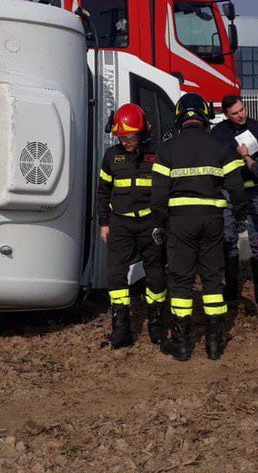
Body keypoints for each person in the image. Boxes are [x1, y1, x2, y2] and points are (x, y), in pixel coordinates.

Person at [150, 93, 249, 361]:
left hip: (180, 223)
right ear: (205, 116)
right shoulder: (220, 146)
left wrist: (158, 224)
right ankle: (214, 343)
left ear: (179, 117)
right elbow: (236, 186)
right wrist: (240, 216)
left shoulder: (167, 148)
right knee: (212, 280)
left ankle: (181, 344)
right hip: (212, 222)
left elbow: (158, 193)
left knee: (181, 282)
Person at [96, 103, 167, 349]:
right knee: (115, 274)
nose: (125, 142)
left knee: (156, 273)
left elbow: (165, 191)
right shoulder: (111, 157)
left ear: (142, 133)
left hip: (149, 223)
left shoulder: (157, 154)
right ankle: (121, 329)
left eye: (130, 137)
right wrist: (104, 223)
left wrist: (163, 222)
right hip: (120, 224)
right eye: (121, 137)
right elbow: (103, 191)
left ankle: (157, 325)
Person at [210, 94, 258, 308]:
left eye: (242, 110)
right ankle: (231, 290)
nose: (240, 115)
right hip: (228, 193)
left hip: (254, 192)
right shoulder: (218, 134)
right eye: (235, 113)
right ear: (226, 115)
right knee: (229, 240)